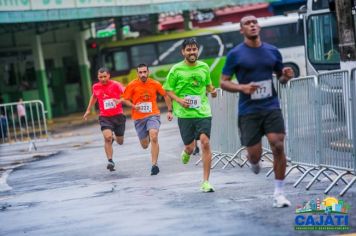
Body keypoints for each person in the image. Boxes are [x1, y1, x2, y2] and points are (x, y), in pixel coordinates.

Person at [220, 15, 294, 207]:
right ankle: (253, 161)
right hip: (248, 111)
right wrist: (242, 88)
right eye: (247, 23)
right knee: (255, 154)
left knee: (277, 145)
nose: (252, 25)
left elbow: (281, 77)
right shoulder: (235, 54)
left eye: (255, 22)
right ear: (241, 30)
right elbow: (223, 82)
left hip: (270, 106)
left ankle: (279, 193)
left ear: (258, 27)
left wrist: (286, 76)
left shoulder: (272, 51)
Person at [163, 38, 217, 192]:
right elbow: (167, 89)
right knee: (190, 147)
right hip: (184, 114)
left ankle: (206, 182)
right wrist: (179, 101)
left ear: (197, 50)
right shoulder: (176, 69)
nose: (192, 52)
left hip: (203, 112)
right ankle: (187, 151)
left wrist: (212, 91)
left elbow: (209, 86)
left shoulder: (204, 67)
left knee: (205, 142)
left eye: (194, 49)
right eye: (189, 50)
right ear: (183, 52)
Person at [122, 64, 173, 175]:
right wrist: (133, 106)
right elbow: (125, 100)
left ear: (148, 72)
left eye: (145, 72)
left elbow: (165, 95)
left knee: (154, 136)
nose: (143, 74)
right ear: (137, 73)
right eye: (140, 72)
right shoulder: (132, 85)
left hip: (153, 114)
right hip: (138, 118)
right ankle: (148, 137)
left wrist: (170, 111)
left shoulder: (155, 83)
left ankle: (154, 165)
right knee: (145, 145)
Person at [83, 67, 126, 172]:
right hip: (105, 117)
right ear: (97, 77)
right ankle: (110, 161)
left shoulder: (116, 85)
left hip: (118, 116)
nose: (102, 79)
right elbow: (94, 97)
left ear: (109, 76)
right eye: (100, 77)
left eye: (104, 76)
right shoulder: (96, 87)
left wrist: (120, 100)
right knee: (107, 138)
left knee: (120, 141)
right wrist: (88, 110)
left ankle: (115, 138)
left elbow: (127, 94)